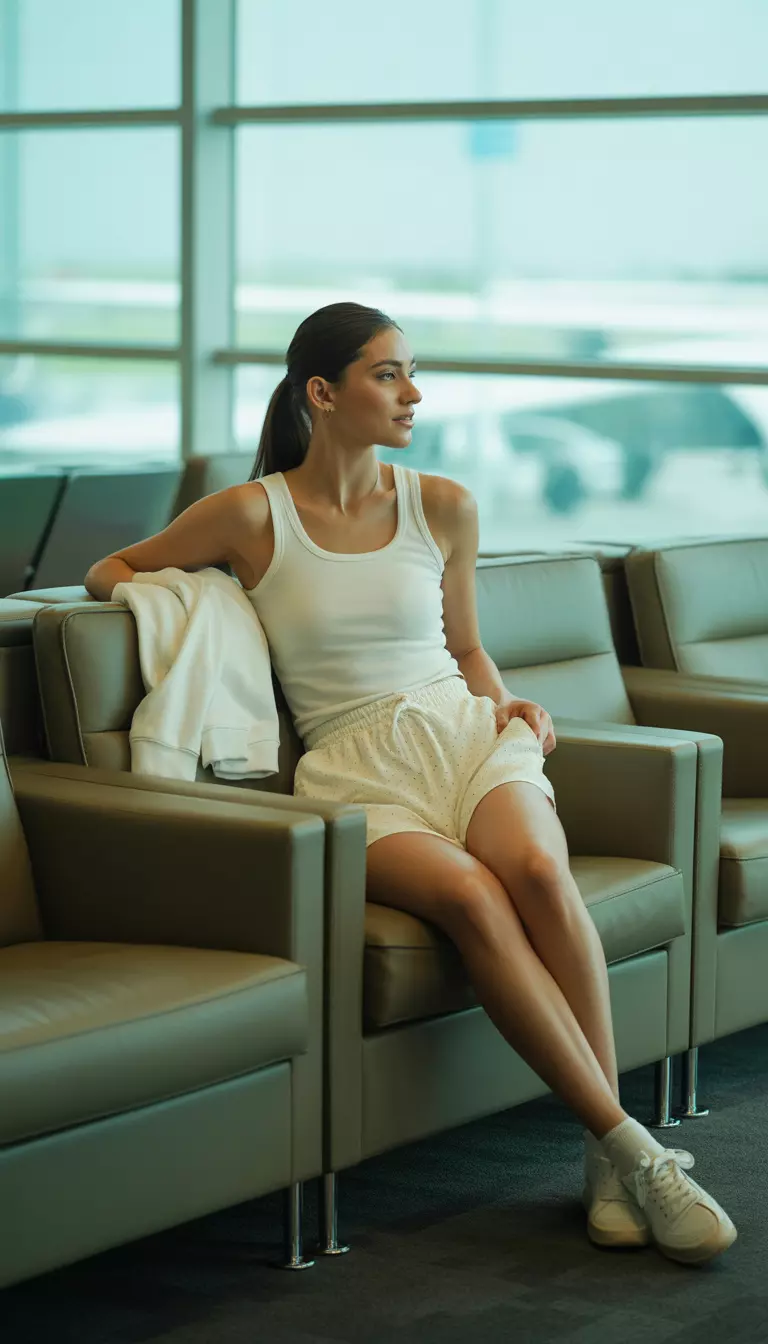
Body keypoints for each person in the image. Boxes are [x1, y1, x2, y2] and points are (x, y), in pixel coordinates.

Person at [85, 301, 737, 1266]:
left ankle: (612, 1158)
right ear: (323, 393)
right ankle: (636, 1151)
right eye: (389, 374)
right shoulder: (248, 513)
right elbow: (111, 572)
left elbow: (467, 646)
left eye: (411, 372)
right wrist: (209, 598)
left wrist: (515, 703)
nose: (413, 394)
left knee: (540, 876)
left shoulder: (442, 503)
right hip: (351, 768)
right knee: (473, 898)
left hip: (465, 732)